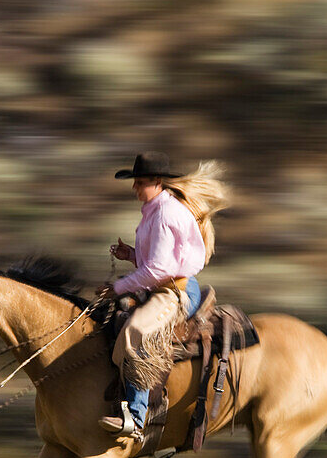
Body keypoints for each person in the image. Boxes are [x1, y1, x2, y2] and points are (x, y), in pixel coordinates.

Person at [96, 151, 229, 438]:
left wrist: (118, 287)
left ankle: (136, 415)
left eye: (140, 182)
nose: (135, 188)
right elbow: (159, 261)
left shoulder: (166, 213)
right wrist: (131, 255)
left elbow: (159, 269)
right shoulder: (156, 210)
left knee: (136, 330)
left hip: (174, 292)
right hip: (162, 286)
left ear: (157, 182)